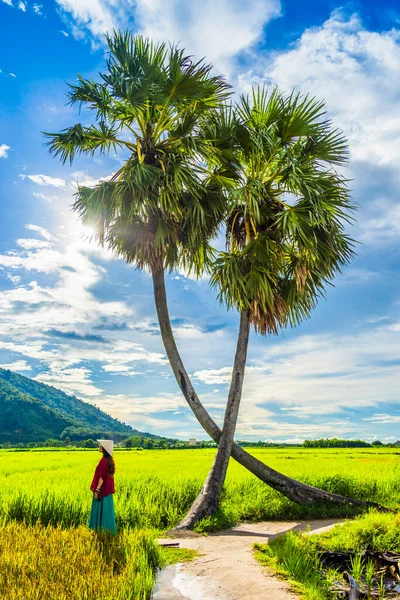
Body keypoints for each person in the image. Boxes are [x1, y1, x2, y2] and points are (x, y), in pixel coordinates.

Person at [88, 439, 116, 535]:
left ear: (104, 449)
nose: (99, 447)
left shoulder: (103, 461)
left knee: (101, 510)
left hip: (102, 491)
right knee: (107, 512)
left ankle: (100, 531)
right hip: (107, 492)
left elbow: (101, 478)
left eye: (100, 446)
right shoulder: (108, 460)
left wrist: (97, 490)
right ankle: (106, 531)